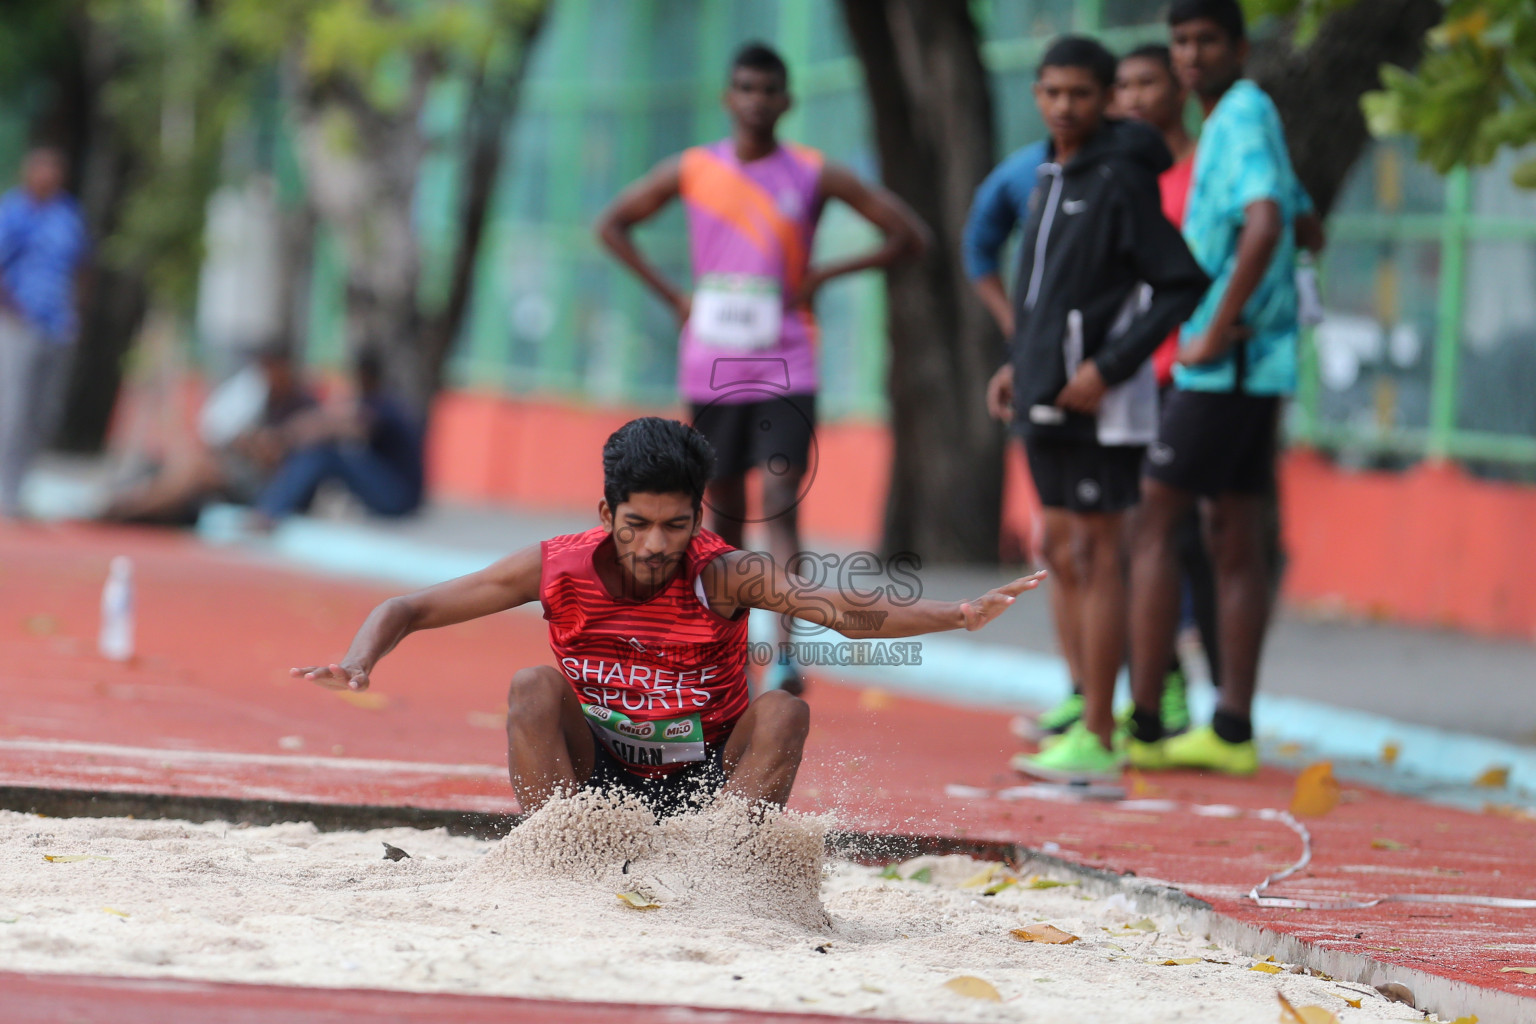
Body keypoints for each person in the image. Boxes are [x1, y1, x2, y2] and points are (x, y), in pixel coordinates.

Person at [292, 417, 1045, 817]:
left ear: (696, 517)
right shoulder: (555, 566)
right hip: (599, 775)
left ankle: (725, 867)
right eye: (638, 524)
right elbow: (411, 604)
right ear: (606, 514)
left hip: (705, 778)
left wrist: (960, 612)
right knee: (531, 685)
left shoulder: (724, 571)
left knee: (783, 712)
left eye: (675, 525)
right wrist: (362, 659)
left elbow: (847, 613)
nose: (656, 545)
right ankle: (559, 852)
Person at [595, 42, 928, 696]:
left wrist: (826, 272)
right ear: (728, 97)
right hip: (713, 365)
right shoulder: (693, 170)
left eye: (768, 89)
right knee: (722, 511)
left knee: (781, 494)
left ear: (787, 100)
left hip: (787, 361)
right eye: (744, 88)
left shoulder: (811, 173)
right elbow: (613, 225)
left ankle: (786, 651)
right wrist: (675, 299)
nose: (756, 100)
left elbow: (909, 236)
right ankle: (726, 642)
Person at [986, 37, 1209, 782]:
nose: (1064, 107)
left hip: (1099, 404)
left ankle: (1100, 735)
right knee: (1063, 550)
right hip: (1043, 394)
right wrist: (1020, 364)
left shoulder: (1119, 179)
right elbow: (1045, 292)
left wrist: (1110, 367)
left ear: (1107, 97)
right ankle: (1083, 709)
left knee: (1099, 551)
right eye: (1051, 92)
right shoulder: (1050, 172)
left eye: (1081, 94)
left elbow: (1180, 281)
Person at [1125, 0, 1313, 775]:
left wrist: (1215, 321)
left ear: (1238, 46)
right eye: (1182, 41)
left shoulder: (1238, 113)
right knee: (1234, 535)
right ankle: (1232, 729)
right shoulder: (1236, 122)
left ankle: (1135, 725)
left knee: (1154, 523)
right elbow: (1302, 220)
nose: (1192, 54)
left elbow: (1267, 221)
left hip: (1223, 363)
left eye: (1207, 40)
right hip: (1253, 362)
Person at [100, 343, 315, 525]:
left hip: (265, 488)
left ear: (283, 368)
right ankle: (133, 507)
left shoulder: (303, 407)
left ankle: (128, 510)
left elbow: (287, 460)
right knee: (188, 463)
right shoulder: (266, 399)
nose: (265, 376)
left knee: (196, 470)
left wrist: (258, 446)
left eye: (269, 370)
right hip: (237, 473)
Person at [0, 148, 90, 520]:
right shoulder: (13, 212)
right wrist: (13, 312)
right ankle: (5, 490)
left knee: (43, 413)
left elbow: (83, 265)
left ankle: (20, 486)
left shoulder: (68, 215)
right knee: (14, 410)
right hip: (21, 324)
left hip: (58, 326)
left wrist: (77, 311)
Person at [252, 348, 424, 526]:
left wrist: (286, 436)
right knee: (324, 453)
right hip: (398, 496)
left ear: (362, 376)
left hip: (399, 499)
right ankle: (279, 506)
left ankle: (270, 511)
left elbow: (341, 425)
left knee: (325, 455)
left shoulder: (382, 406)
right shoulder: (381, 403)